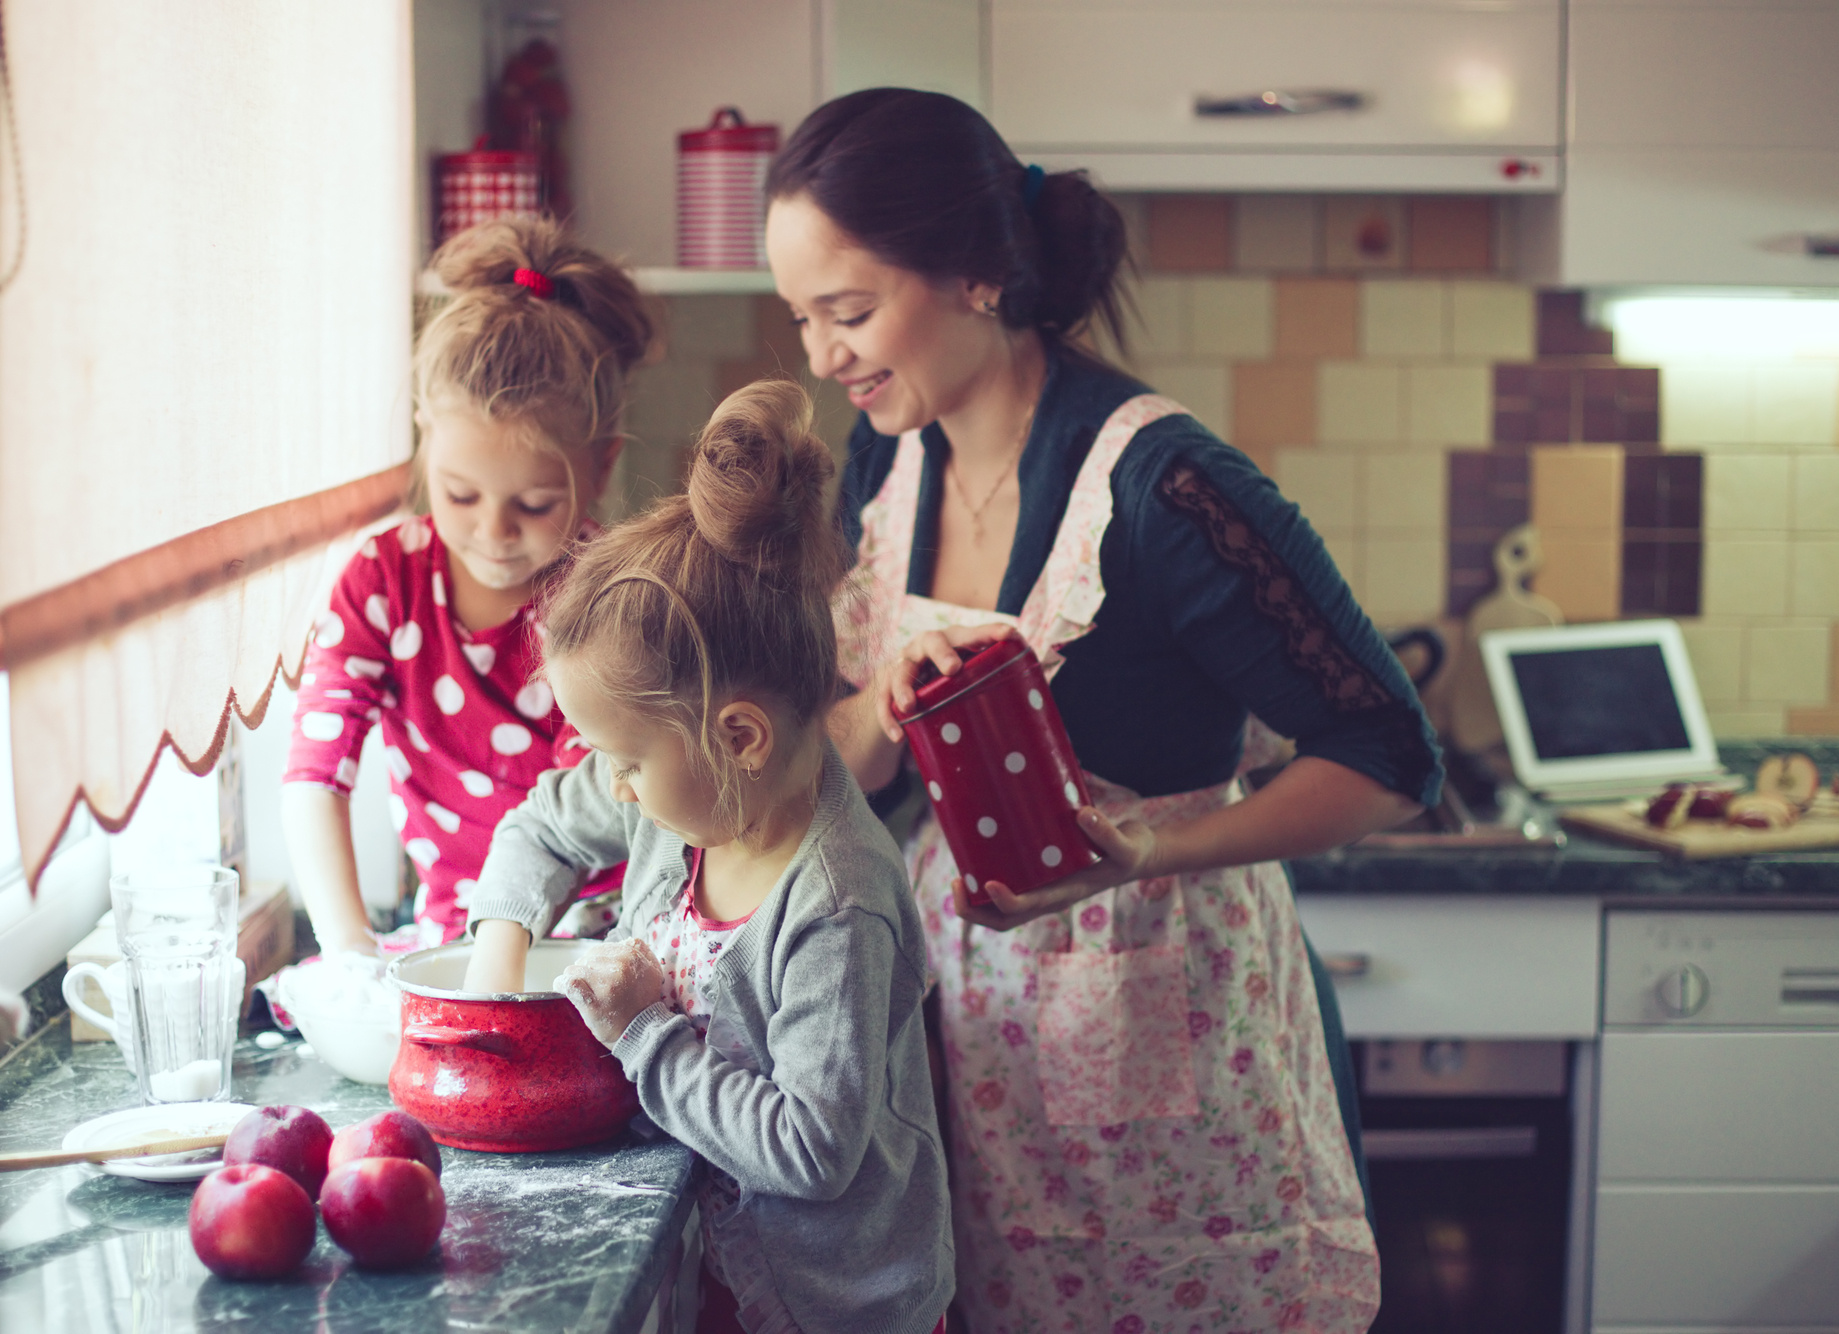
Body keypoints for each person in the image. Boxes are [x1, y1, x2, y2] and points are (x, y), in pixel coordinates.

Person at [765, 88, 1445, 1332]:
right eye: (801, 318)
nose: (821, 357)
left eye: (849, 313)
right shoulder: (886, 458)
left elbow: (1392, 758)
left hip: (1167, 1031)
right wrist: (881, 715)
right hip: (964, 1041)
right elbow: (855, 760)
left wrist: (1146, 850)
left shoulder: (1165, 485)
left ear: (974, 275)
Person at [459, 381, 955, 1334]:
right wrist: (498, 957)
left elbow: (812, 1149)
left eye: (626, 758)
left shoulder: (836, 905)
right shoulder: (681, 805)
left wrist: (646, 1035)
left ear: (739, 737)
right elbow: (541, 826)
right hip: (723, 1269)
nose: (611, 785)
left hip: (837, 1308)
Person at [282, 216, 649, 958]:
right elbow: (314, 777)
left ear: (602, 466)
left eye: (535, 504)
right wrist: (350, 954)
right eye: (459, 494)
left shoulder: (611, 595)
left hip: (602, 942)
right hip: (453, 942)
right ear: (426, 441)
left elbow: (576, 819)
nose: (493, 531)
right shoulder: (383, 580)